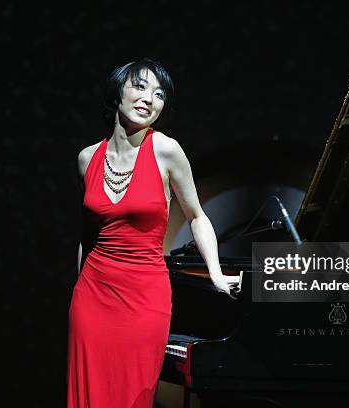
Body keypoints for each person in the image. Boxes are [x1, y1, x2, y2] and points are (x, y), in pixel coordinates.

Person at [67, 58, 240, 408]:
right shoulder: (88, 159)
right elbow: (87, 236)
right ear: (117, 92)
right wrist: (78, 289)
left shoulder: (166, 150)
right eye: (141, 86)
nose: (150, 98)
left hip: (145, 296)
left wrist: (216, 273)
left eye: (159, 94)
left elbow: (197, 216)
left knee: (134, 394)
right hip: (92, 295)